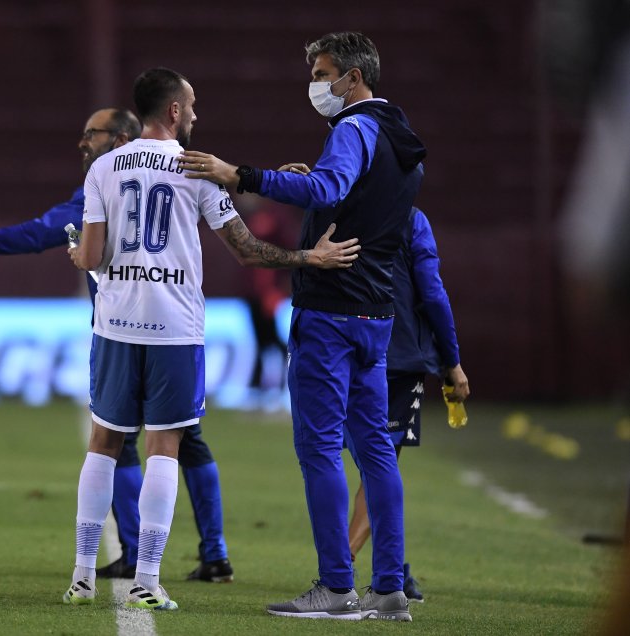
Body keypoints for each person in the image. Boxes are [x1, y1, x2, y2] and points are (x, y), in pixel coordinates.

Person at [61, 66, 360, 611]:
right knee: (163, 448)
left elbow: (94, 255)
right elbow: (246, 249)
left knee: (103, 443)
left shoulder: (102, 168)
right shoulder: (196, 168)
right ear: (174, 110)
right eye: (192, 104)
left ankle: (81, 576)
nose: (196, 114)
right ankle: (147, 579)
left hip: (115, 324)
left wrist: (80, 255)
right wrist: (308, 257)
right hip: (174, 328)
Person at [0, 107, 236, 583]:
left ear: (121, 139)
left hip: (122, 333)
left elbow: (37, 233)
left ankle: (133, 551)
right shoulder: (179, 173)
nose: (82, 142)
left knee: (117, 439)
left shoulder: (104, 182)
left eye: (92, 133)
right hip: (175, 329)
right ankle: (214, 553)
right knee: (184, 439)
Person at [180, 31, 426, 621]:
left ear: (353, 77)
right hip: (377, 313)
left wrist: (239, 174)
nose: (314, 84)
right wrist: (313, 186)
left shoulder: (352, 128)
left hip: (332, 311)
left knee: (319, 449)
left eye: (321, 73)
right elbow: (355, 197)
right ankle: (389, 588)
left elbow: (330, 187)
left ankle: (336, 587)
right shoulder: (398, 131)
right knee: (376, 450)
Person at [344, 206, 470, 602]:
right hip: (397, 358)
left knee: (357, 462)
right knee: (380, 467)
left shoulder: (342, 209)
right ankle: (343, 568)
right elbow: (432, 292)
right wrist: (451, 360)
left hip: (344, 351)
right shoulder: (412, 220)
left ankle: (390, 567)